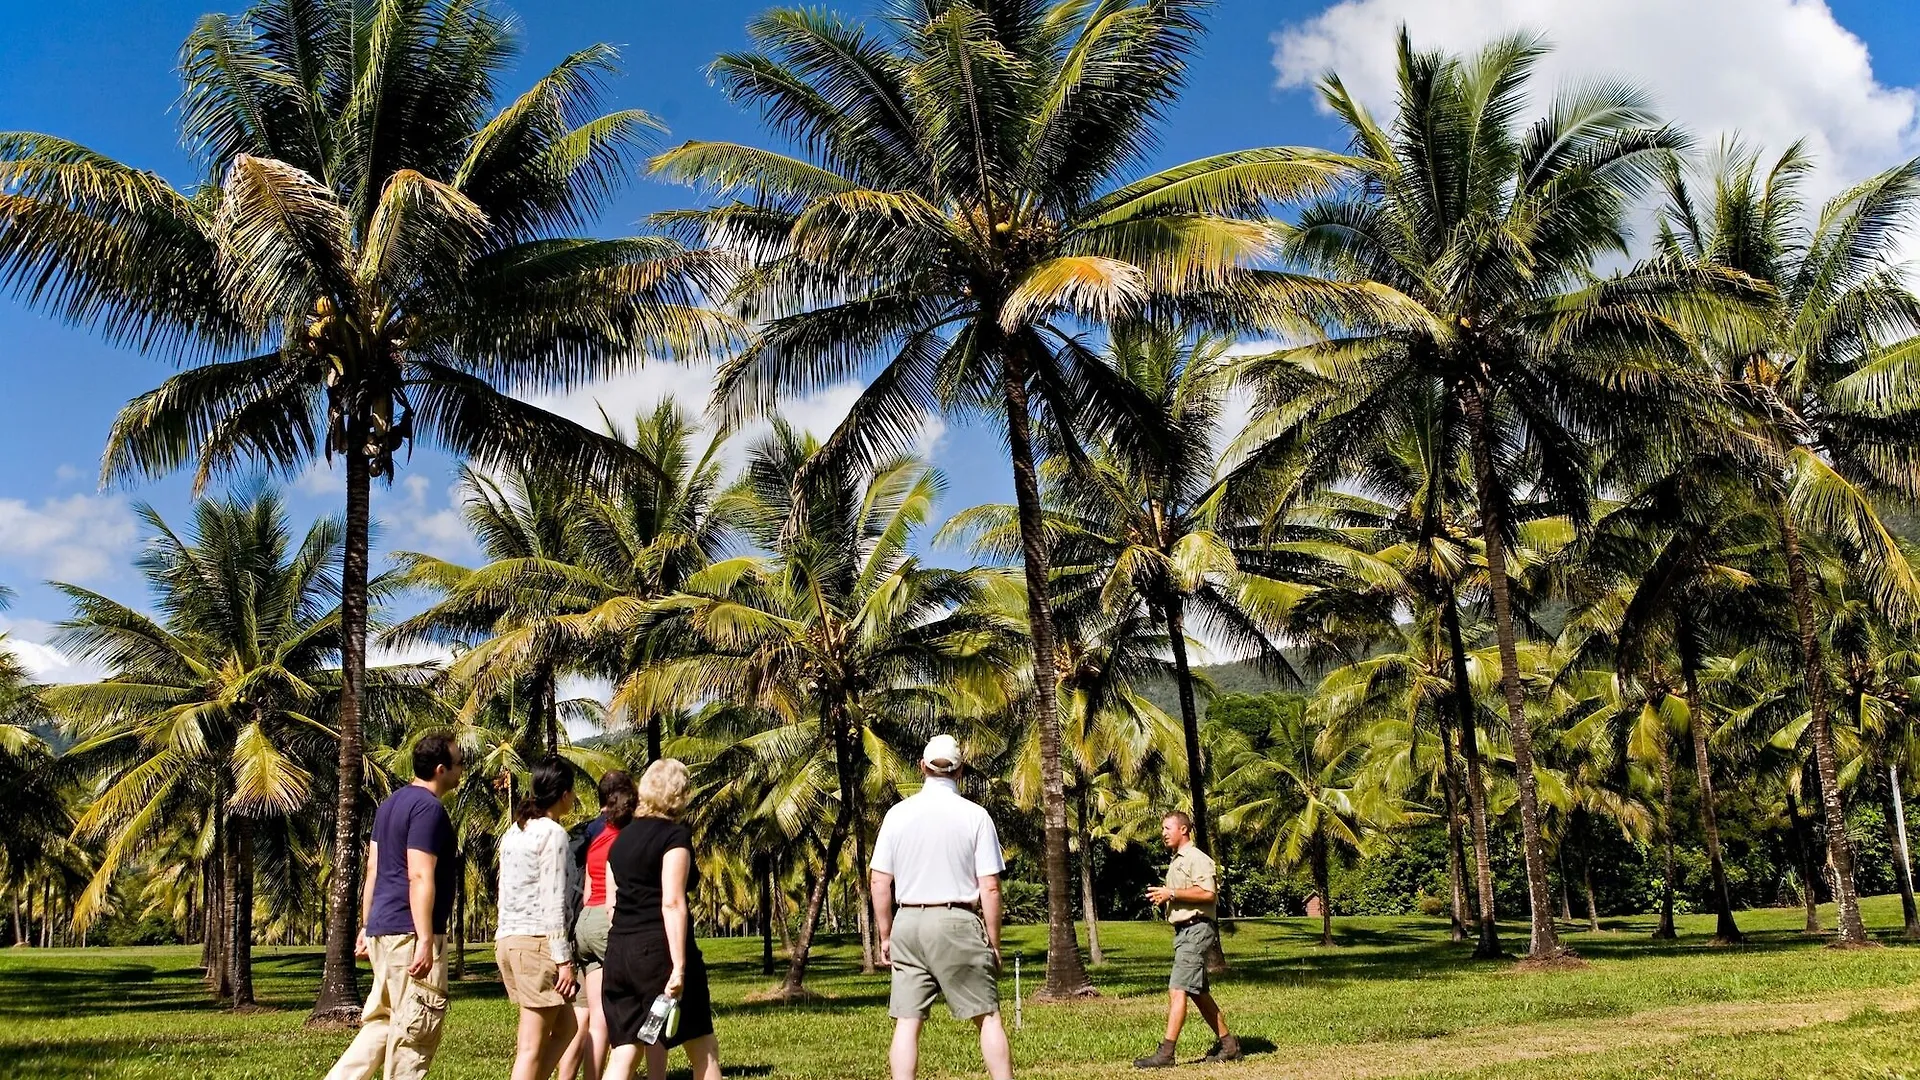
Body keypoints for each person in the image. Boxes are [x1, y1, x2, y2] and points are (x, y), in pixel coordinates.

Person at [870, 734, 1012, 1080]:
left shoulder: (897, 815)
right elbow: (990, 887)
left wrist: (886, 935)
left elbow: (878, 881)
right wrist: (993, 942)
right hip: (956, 921)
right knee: (987, 1016)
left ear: (922, 767)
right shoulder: (975, 816)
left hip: (907, 922)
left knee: (907, 1021)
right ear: (960, 771)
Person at [325, 732, 463, 1080]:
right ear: (441, 769)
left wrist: (366, 924)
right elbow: (419, 874)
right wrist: (426, 938)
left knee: (382, 1024)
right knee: (415, 1033)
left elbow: (374, 868)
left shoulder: (390, 805)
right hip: (408, 933)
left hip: (384, 930)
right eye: (459, 764)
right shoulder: (428, 809)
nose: (462, 770)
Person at [602, 759, 720, 1080]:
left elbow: (612, 903)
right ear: (679, 794)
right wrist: (679, 967)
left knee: (625, 1051)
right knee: (704, 1051)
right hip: (658, 955)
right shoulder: (674, 836)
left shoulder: (620, 841)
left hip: (619, 955)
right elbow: (671, 902)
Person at [1134, 811, 1240, 1068]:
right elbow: (1183, 894)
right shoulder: (1177, 861)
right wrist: (1167, 898)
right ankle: (1230, 1046)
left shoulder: (1197, 859)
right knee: (1198, 993)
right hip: (1184, 932)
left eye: (1167, 827)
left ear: (1184, 829)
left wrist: (1171, 892)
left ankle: (1166, 1053)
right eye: (1162, 828)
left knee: (1178, 988)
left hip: (1197, 929)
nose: (1163, 832)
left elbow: (1208, 894)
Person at [498, 756, 582, 1080]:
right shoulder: (553, 833)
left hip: (510, 940)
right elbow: (553, 899)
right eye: (572, 792)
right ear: (564, 794)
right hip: (537, 944)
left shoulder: (514, 833)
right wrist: (564, 960)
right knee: (531, 1048)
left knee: (567, 1026)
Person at [558, 770, 637, 1080]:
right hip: (608, 918)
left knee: (597, 1020)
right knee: (629, 1013)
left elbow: (590, 884)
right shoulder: (627, 831)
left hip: (586, 922)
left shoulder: (593, 833)